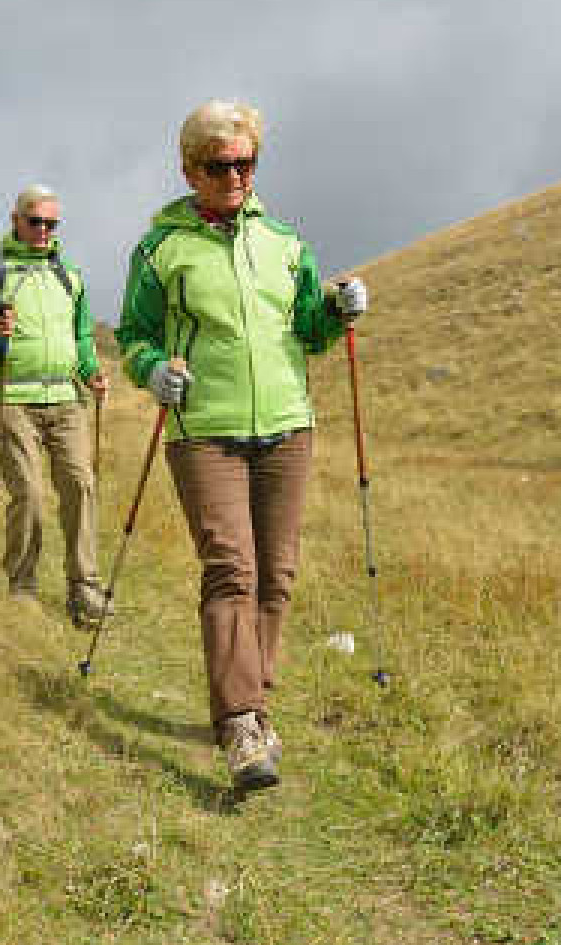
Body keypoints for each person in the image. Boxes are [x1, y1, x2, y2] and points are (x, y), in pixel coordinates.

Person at [115, 101, 367, 792]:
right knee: (232, 568)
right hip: (205, 429)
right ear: (189, 169)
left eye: (245, 162)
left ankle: (255, 701)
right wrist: (152, 370)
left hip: (287, 424)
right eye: (219, 165)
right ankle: (241, 725)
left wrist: (339, 310)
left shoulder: (286, 243)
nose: (234, 176)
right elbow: (131, 334)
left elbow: (309, 330)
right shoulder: (160, 250)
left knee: (277, 574)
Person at [0, 185, 110, 626]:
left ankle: (85, 590)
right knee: (30, 493)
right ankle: (21, 587)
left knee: (81, 485)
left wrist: (92, 370)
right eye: (35, 222)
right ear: (16, 220)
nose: (44, 231)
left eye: (51, 224)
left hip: (66, 398)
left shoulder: (69, 275)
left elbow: (80, 335)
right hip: (12, 397)